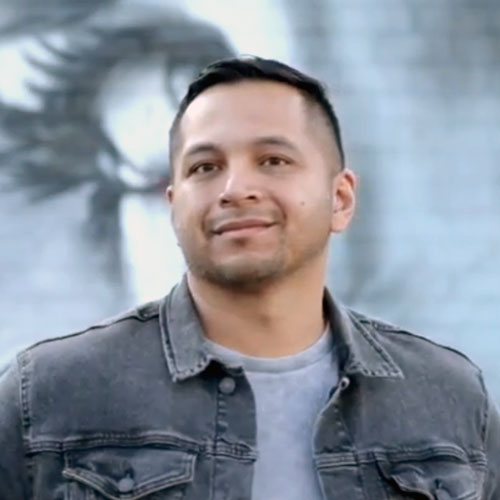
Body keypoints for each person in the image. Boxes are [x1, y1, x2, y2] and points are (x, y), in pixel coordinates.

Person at [0, 56, 499, 499]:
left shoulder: (449, 398)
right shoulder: (45, 396)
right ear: (174, 206)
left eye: (273, 160)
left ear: (340, 199)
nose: (236, 188)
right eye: (205, 166)